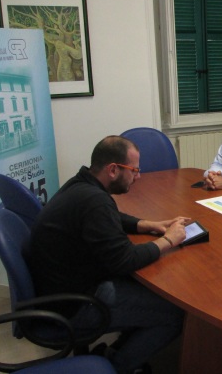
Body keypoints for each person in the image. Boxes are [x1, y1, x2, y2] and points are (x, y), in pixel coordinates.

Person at [29, 136, 188, 374]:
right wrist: (169, 240)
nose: (138, 177)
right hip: (75, 305)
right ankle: (115, 365)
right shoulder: (95, 201)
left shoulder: (82, 184)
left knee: (150, 290)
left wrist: (146, 224)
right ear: (113, 170)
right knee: (175, 314)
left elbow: (109, 217)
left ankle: (118, 351)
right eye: (134, 170)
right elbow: (125, 260)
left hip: (60, 288)